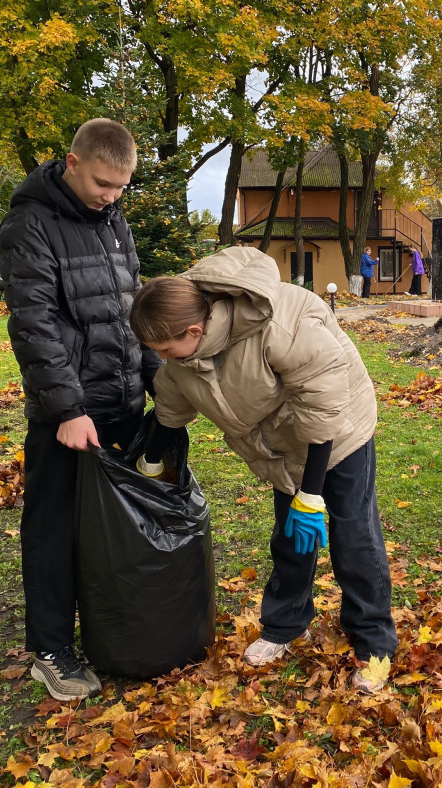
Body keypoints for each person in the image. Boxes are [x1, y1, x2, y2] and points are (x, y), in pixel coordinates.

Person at [129, 247, 398, 693]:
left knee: (353, 533)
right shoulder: (183, 359)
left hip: (340, 430)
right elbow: (170, 406)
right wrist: (152, 460)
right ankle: (286, 624)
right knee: (290, 536)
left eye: (164, 347)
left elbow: (324, 406)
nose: (161, 357)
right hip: (282, 445)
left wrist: (311, 494)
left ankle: (374, 642)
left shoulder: (278, 326)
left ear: (194, 330)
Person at [0, 118, 160, 702]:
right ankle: (49, 649)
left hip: (121, 402)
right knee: (54, 531)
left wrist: (156, 377)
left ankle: (106, 628)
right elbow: (34, 324)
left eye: (121, 188)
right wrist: (67, 409)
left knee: (110, 532)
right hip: (66, 416)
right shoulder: (28, 225)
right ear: (71, 162)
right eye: (101, 184)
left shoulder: (112, 220)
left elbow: (132, 307)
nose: (111, 197)